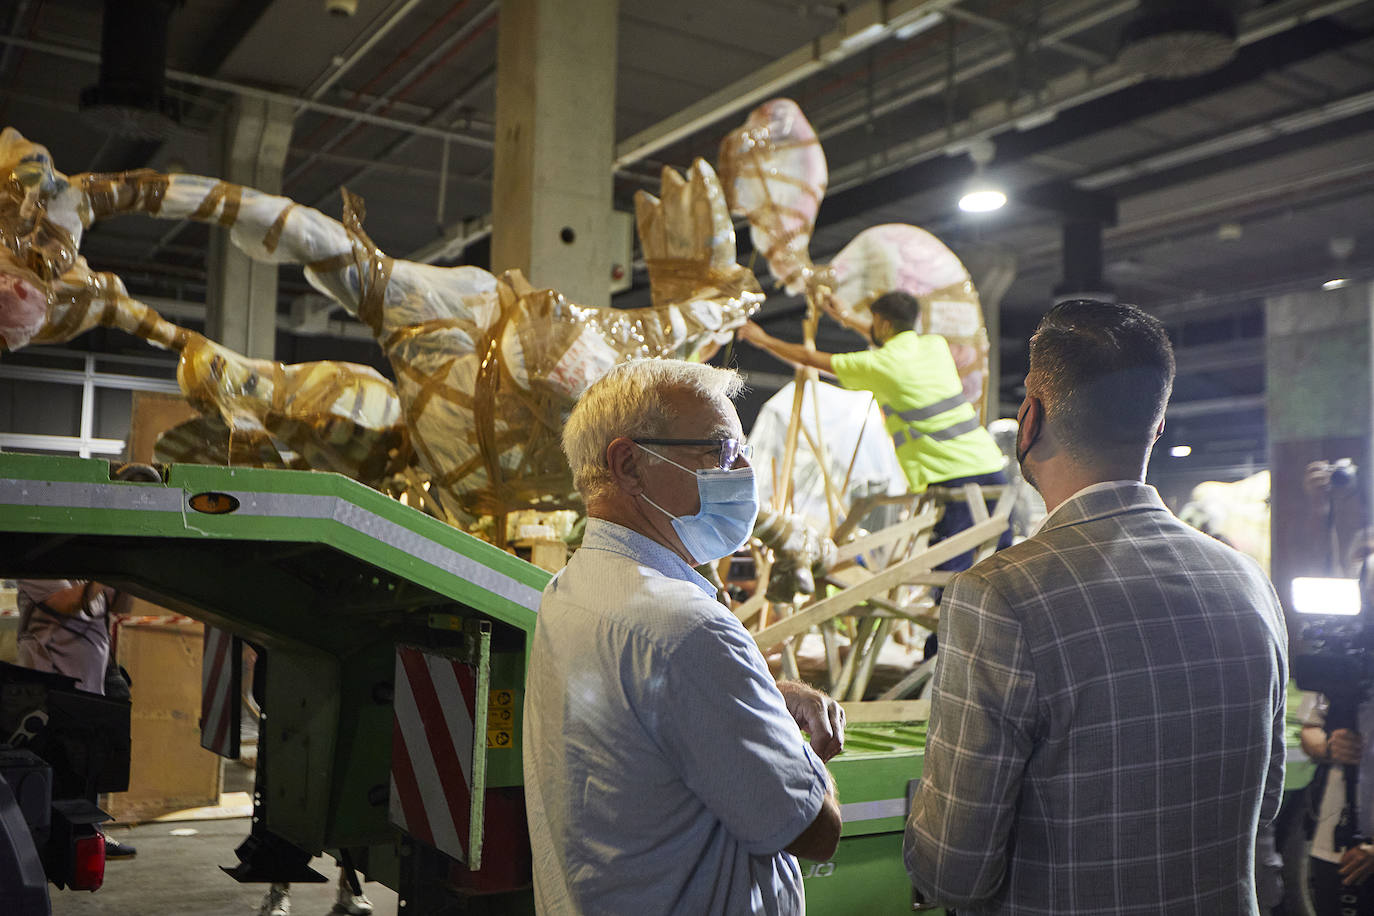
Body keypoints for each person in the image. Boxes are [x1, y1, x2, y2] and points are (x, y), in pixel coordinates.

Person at [904, 300, 1288, 913]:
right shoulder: (1248, 583)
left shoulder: (1000, 595)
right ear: (1155, 429)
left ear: (1028, 418)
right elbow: (1263, 801)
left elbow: (957, 868)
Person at [523, 358, 844, 915]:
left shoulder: (571, 589)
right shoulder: (687, 630)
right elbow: (814, 830)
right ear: (628, 464)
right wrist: (805, 750)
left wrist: (769, 696)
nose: (743, 471)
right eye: (719, 451)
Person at [738, 291, 1009, 574]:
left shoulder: (878, 365)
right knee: (1002, 564)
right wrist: (846, 318)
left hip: (952, 479)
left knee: (952, 574)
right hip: (989, 466)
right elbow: (889, 336)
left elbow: (809, 358)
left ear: (883, 324)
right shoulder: (935, 346)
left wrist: (762, 339)